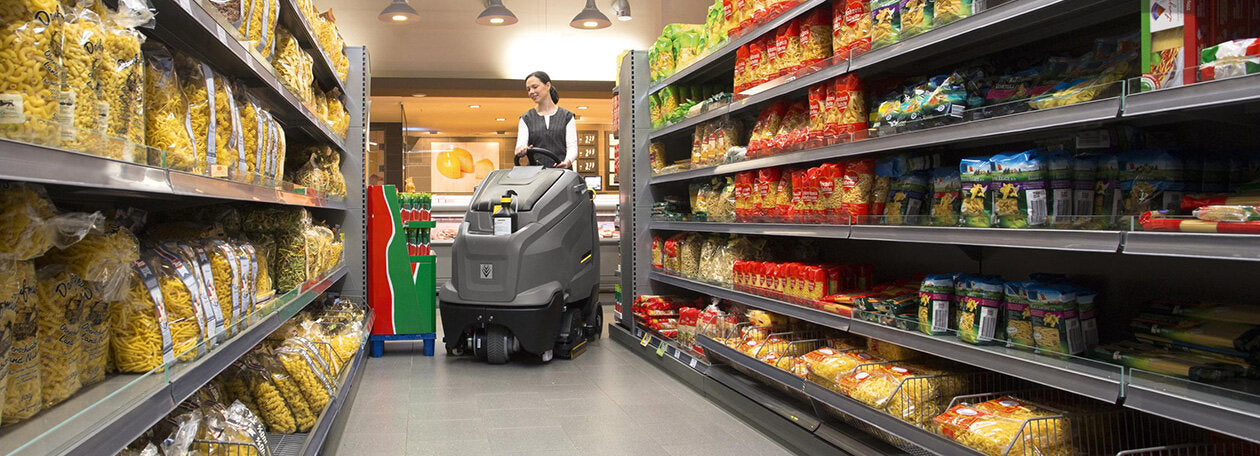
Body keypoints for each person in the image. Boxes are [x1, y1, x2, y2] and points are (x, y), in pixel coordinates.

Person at [514, 71, 577, 169]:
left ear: (547, 85)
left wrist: (567, 162)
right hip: (536, 176)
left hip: (562, 174)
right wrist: (521, 149)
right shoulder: (526, 118)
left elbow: (572, 147)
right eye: (528, 89)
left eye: (535, 87)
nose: (531, 92)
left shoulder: (567, 117)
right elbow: (521, 144)